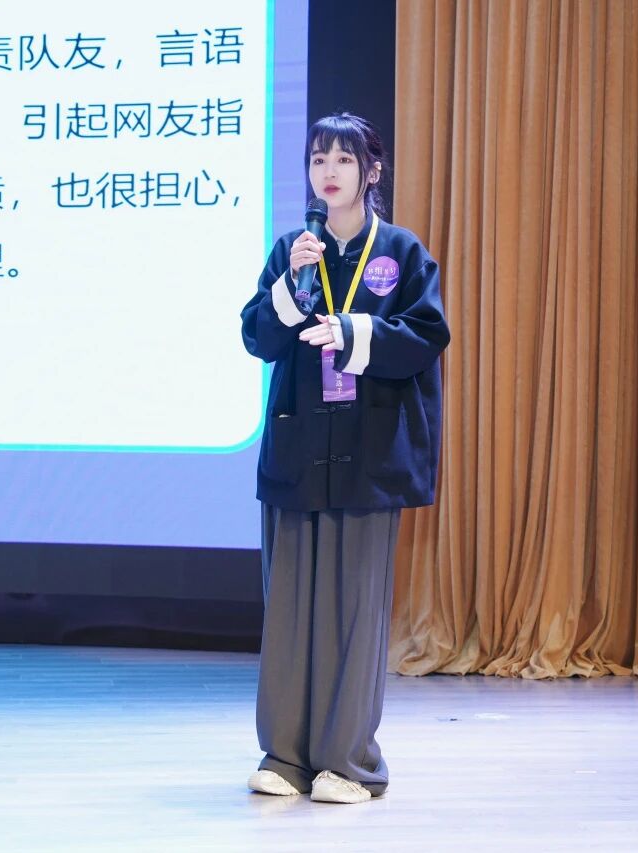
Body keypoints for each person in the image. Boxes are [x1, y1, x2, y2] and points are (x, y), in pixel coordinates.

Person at [238, 112, 450, 804]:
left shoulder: (402, 252)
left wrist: (353, 331)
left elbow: (427, 334)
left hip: (368, 453)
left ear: (371, 172)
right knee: (290, 608)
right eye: (318, 159)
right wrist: (289, 286)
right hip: (299, 449)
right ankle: (286, 756)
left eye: (343, 159)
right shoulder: (292, 249)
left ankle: (349, 762)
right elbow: (258, 337)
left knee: (354, 612)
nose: (328, 172)